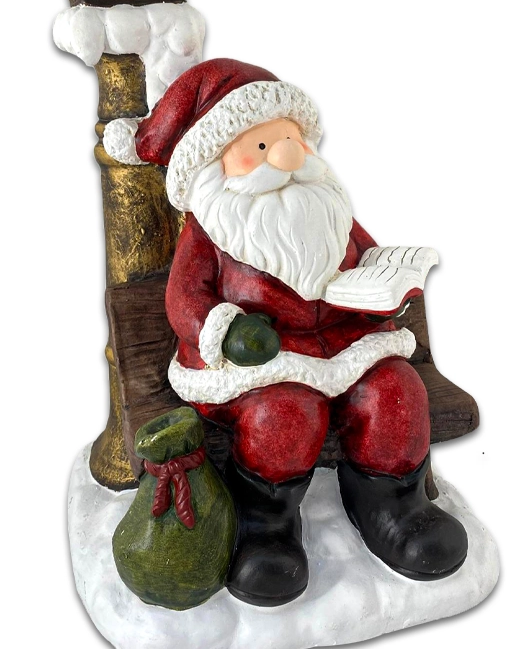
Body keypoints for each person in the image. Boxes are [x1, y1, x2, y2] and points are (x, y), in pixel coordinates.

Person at [122, 59, 467, 606]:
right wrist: (225, 331)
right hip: (264, 365)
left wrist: (382, 290)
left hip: (348, 344)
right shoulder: (212, 230)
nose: (286, 157)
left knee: (394, 392)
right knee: (281, 415)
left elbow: (366, 258)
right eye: (261, 147)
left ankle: (396, 507)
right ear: (214, 166)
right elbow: (185, 299)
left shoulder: (327, 209)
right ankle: (267, 525)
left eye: (291, 140)